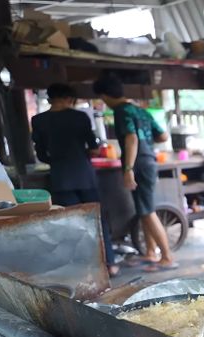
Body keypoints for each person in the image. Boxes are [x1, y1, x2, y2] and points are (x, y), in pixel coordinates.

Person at [31, 83, 120, 277]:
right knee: (96, 219)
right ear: (69, 99)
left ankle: (84, 268)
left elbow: (41, 154)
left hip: (61, 178)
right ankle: (110, 263)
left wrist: (56, 159)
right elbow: (94, 148)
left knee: (72, 223)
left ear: (49, 98)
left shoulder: (38, 120)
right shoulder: (79, 117)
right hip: (84, 175)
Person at [92, 74, 178, 272]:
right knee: (143, 209)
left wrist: (128, 169)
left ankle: (167, 257)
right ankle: (150, 252)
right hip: (148, 161)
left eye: (102, 98)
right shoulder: (140, 110)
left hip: (138, 163)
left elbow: (131, 138)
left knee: (147, 211)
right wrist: (146, 143)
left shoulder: (122, 111)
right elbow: (163, 135)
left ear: (106, 95)